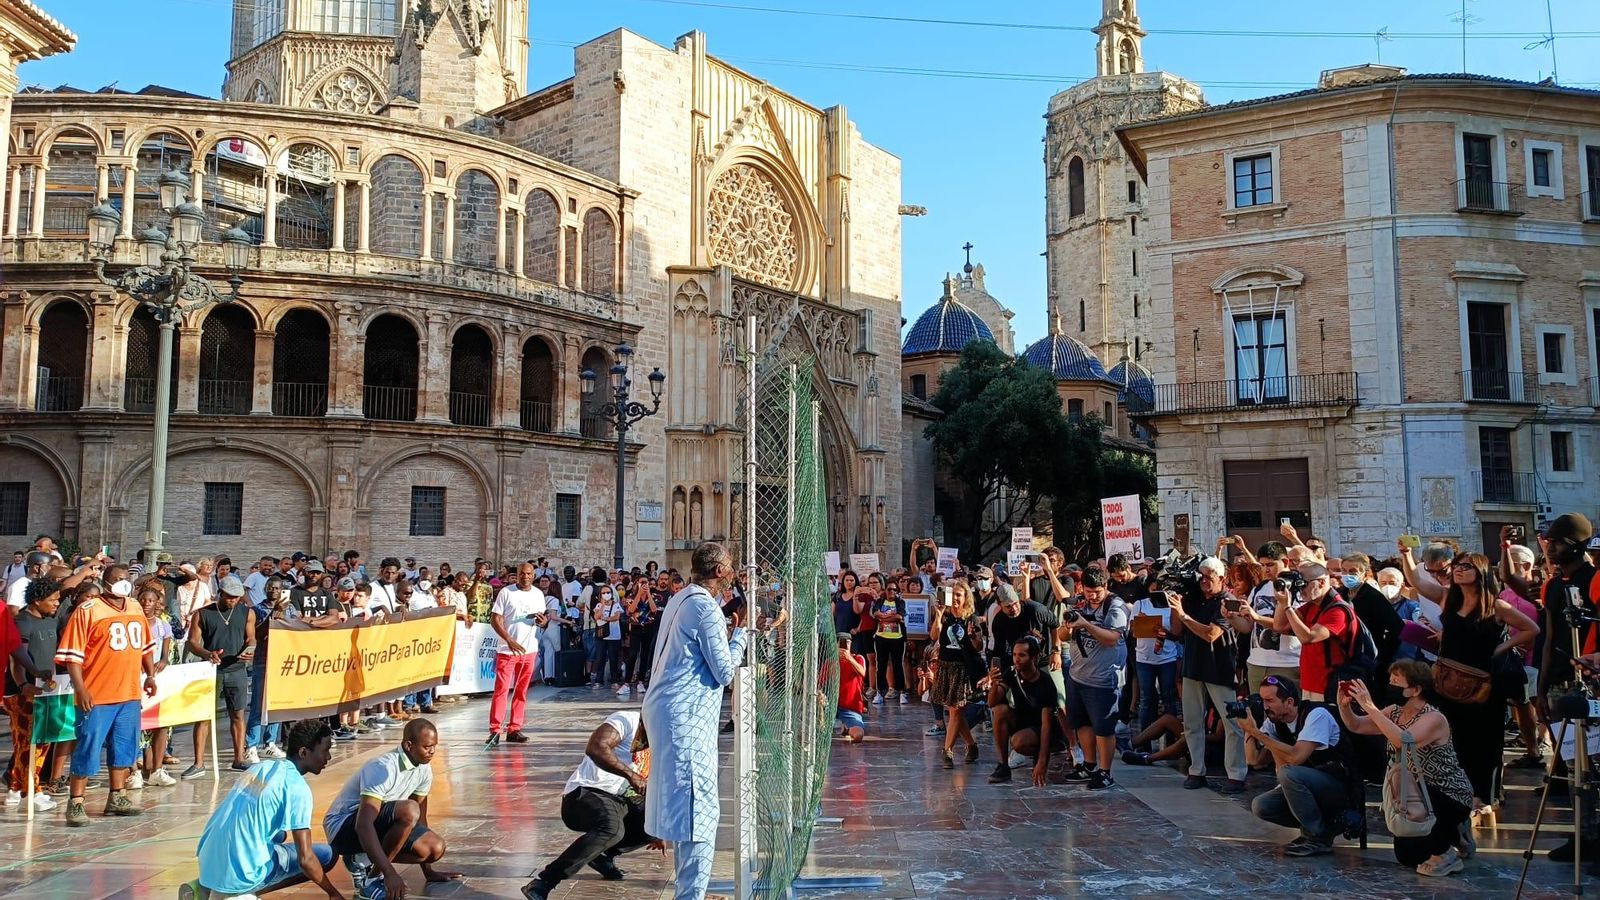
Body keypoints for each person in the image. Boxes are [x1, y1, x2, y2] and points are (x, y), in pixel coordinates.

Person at [641, 541, 749, 900]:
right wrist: (742, 635)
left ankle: (689, 891)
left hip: (669, 711)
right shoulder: (704, 607)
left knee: (686, 808)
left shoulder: (681, 598)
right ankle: (690, 895)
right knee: (699, 810)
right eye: (730, 566)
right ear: (719, 571)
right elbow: (724, 672)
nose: (732, 572)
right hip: (685, 716)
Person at [1337, 661, 1476, 876]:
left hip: (1446, 791)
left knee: (1427, 823)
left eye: (1396, 682)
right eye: (1390, 680)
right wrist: (1344, 706)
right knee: (1408, 856)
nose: (1390, 686)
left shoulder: (1434, 718)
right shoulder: (1394, 712)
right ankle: (1455, 834)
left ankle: (1446, 853)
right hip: (1413, 789)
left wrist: (1370, 706)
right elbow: (1357, 725)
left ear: (1416, 689)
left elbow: (1403, 740)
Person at [183, 720, 342, 900]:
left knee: (278, 838)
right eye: (325, 750)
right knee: (326, 855)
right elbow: (306, 859)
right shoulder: (298, 788)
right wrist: (333, 893)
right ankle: (242, 892)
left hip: (208, 862)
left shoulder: (259, 768)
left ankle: (204, 889)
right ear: (304, 752)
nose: (329, 757)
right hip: (244, 872)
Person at [54, 568, 161, 826]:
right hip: (97, 694)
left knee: (124, 746)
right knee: (88, 746)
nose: (122, 583)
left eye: (125, 579)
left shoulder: (135, 606)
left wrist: (149, 675)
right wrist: (81, 689)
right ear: (105, 582)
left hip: (129, 692)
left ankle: (117, 795)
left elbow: (145, 647)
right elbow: (73, 656)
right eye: (117, 579)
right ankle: (76, 801)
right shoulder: (88, 610)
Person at [520, 710, 664, 899]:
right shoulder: (628, 720)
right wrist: (631, 775)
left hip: (620, 798)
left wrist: (658, 829)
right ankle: (543, 881)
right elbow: (596, 747)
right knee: (612, 829)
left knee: (658, 819)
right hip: (586, 792)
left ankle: (602, 856)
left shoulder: (663, 741)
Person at [1433, 551, 1536, 810]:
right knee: (1456, 738)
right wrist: (1407, 555)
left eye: (1467, 566)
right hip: (1451, 681)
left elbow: (1531, 629)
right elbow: (1417, 581)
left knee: (1486, 741)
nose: (1459, 570)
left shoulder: (1496, 605)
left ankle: (1486, 795)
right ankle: (1461, 790)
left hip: (1484, 682)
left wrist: (1502, 648)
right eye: (1457, 565)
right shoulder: (1450, 599)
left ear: (1480, 572)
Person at [324, 719, 459, 900]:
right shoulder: (382, 767)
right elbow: (363, 825)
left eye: (434, 746)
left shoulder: (424, 769)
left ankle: (362, 859)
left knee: (434, 848)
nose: (432, 751)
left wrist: (428, 871)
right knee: (409, 810)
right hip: (342, 828)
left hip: (373, 824)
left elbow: (420, 819)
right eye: (427, 747)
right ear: (408, 745)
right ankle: (372, 879)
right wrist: (389, 873)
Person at [1242, 675, 1351, 856]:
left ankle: (1317, 838)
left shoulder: (1316, 715)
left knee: (1288, 773)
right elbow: (1253, 759)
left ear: (1289, 702)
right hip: (1310, 787)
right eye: (1262, 700)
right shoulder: (1274, 722)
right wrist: (1248, 729)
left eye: (1270, 701)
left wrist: (1255, 732)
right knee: (1262, 805)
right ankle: (1321, 830)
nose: (1265, 707)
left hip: (1340, 789)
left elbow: (1296, 758)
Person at [1169, 556, 1247, 793]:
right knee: (1192, 722)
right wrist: (1175, 604)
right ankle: (1196, 770)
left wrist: (1184, 615)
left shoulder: (1228, 601)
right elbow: (1176, 629)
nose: (1203, 580)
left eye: (1208, 576)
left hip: (1219, 667)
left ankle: (1236, 774)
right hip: (1193, 667)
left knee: (1231, 723)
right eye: (1200, 576)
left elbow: (1211, 634)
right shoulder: (1192, 598)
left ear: (1222, 578)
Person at [1060, 566, 1129, 789]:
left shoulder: (1115, 606)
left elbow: (1111, 638)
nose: (1092, 596)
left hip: (1104, 679)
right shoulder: (1079, 604)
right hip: (1078, 676)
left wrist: (1086, 624)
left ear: (1105, 586)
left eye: (1097, 592)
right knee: (1081, 723)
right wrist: (1069, 626)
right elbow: (1061, 635)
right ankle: (1089, 765)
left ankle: (1105, 771)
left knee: (1104, 727)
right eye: (1088, 591)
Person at [188, 575, 256, 776]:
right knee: (203, 716)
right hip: (211, 670)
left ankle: (239, 758)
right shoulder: (202, 614)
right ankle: (199, 762)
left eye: (236, 597)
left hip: (236, 669)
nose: (233, 600)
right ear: (220, 593)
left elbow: (251, 637)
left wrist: (250, 649)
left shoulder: (247, 612)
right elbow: (192, 641)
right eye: (229, 596)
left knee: (238, 714)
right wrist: (207, 654)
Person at [6, 578, 62, 810]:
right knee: (27, 743)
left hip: (46, 691)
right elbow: (16, 659)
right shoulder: (22, 623)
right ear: (37, 600)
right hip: (24, 693)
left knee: (42, 741)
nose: (56, 603)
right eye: (52, 600)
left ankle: (17, 787)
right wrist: (22, 685)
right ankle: (29, 791)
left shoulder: (50, 620)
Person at [984, 635, 1060, 786]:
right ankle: (1003, 766)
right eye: (1014, 655)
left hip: (1041, 727)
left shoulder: (1045, 682)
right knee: (1000, 710)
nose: (1016, 660)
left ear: (1033, 658)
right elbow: (992, 703)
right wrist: (994, 684)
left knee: (1018, 742)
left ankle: (1041, 753)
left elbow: (1046, 725)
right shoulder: (1012, 673)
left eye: (1022, 655)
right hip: (1022, 720)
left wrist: (1042, 761)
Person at [487, 562, 547, 747]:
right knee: (502, 690)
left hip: (529, 650)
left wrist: (543, 622)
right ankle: (495, 730)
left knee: (521, 691)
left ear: (533, 576)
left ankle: (514, 728)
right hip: (508, 650)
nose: (525, 577)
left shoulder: (538, 594)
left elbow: (541, 619)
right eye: (522, 574)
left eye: (529, 574)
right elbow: (495, 619)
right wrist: (509, 640)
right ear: (517, 574)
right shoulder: (506, 592)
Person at [928, 581, 981, 766]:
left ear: (966, 598)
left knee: (955, 711)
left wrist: (972, 636)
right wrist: (939, 614)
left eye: (959, 595)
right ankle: (971, 745)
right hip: (945, 666)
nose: (956, 598)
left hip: (963, 668)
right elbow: (934, 636)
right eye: (954, 595)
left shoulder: (971, 618)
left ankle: (947, 750)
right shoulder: (945, 617)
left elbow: (978, 646)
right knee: (955, 713)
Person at [835, 633, 867, 743]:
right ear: (836, 644)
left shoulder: (858, 658)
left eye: (848, 643)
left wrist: (849, 658)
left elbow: (862, 672)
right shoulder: (831, 661)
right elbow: (820, 683)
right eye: (842, 643)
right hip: (831, 708)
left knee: (858, 735)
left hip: (850, 709)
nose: (845, 646)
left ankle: (846, 730)